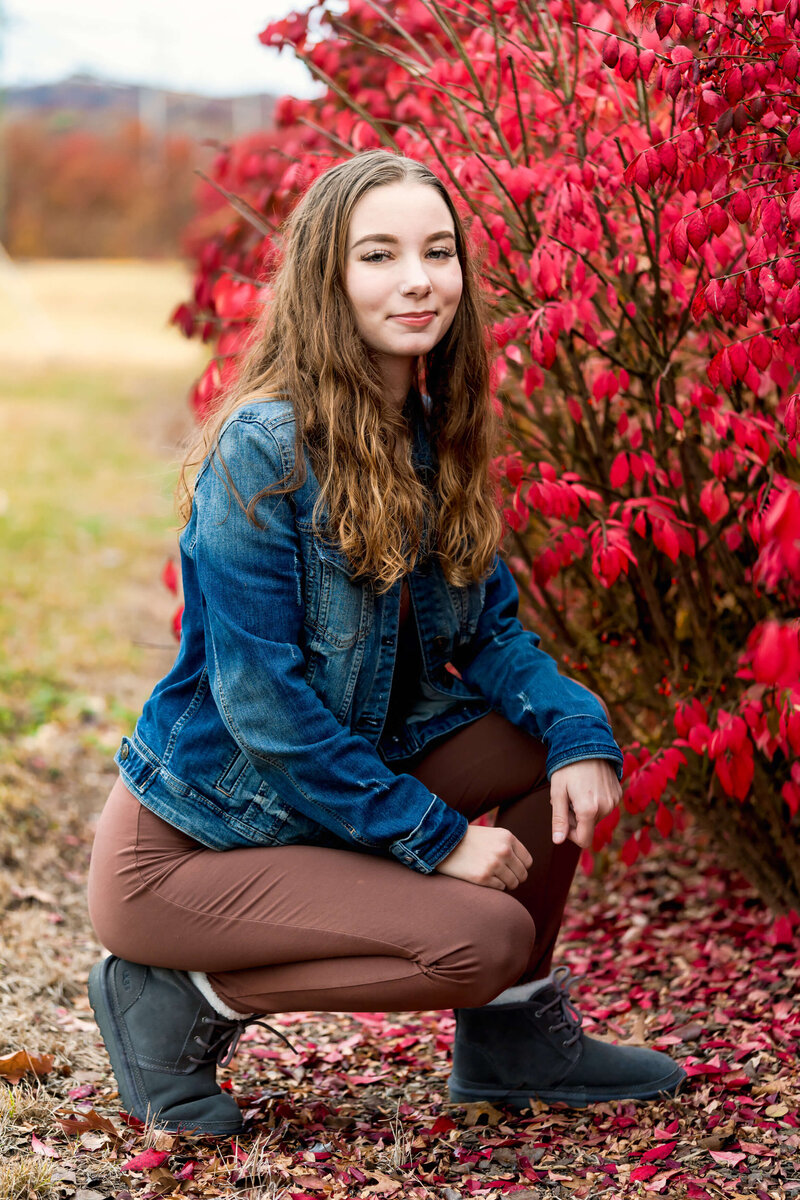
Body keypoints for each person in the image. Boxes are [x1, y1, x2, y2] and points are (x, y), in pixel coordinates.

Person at [86, 149, 685, 1137]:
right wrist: (438, 839)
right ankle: (181, 997)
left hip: (317, 801)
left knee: (553, 736)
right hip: (190, 857)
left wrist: (580, 733)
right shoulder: (261, 453)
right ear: (328, 280)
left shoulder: (430, 432)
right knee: (482, 932)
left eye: (436, 251)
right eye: (379, 255)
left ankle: (510, 1038)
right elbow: (267, 714)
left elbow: (489, 633)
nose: (417, 278)